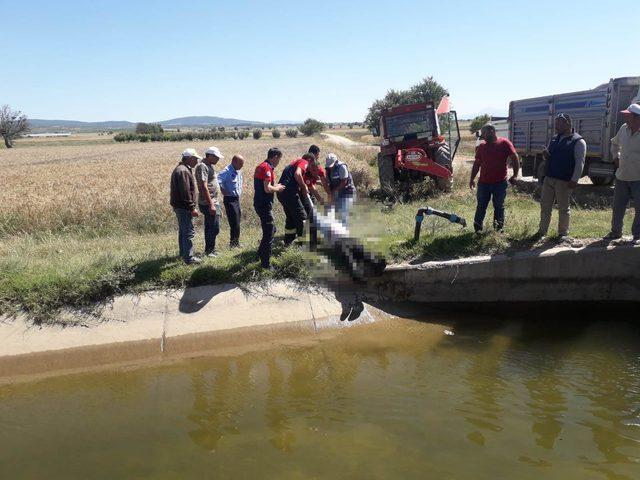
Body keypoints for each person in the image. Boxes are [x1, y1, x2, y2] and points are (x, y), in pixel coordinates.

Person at [535, 113, 586, 240]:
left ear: (567, 124)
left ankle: (563, 234)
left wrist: (575, 180)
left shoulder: (578, 141)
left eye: (559, 124)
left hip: (564, 180)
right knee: (545, 206)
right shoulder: (554, 138)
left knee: (563, 208)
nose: (556, 126)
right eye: (556, 124)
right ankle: (542, 232)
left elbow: (580, 163)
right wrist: (545, 155)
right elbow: (549, 158)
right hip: (549, 178)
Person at [469, 123, 520, 233]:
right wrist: (471, 178)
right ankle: (477, 230)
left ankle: (498, 230)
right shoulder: (482, 146)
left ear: (491, 131)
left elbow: (515, 159)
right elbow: (476, 164)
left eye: (484, 133)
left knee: (499, 207)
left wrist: (515, 175)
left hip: (500, 183)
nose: (482, 136)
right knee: (481, 207)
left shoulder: (504, 143)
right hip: (483, 184)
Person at [605, 103, 640, 245]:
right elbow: (614, 144)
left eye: (628, 116)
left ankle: (637, 235)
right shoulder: (623, 129)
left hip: (638, 178)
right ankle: (615, 232)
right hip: (621, 176)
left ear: (637, 118)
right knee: (618, 206)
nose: (625, 118)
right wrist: (615, 157)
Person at [277, 153, 325, 246]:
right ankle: (304, 245)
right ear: (309, 160)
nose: (311, 167)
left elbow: (310, 185)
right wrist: (303, 187)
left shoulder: (293, 164)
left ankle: (288, 241)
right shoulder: (303, 162)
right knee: (302, 217)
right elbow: (297, 174)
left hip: (281, 193)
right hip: (290, 193)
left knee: (291, 217)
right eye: (311, 164)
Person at [253, 147, 285, 269]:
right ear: (275, 157)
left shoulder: (261, 166)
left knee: (272, 230)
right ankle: (266, 265)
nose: (279, 162)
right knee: (269, 233)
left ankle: (259, 254)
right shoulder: (267, 168)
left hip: (260, 203)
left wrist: (275, 185)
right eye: (279, 159)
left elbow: (265, 186)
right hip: (264, 205)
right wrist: (278, 189)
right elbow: (267, 188)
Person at [170, 148, 201, 264]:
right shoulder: (183, 171)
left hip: (180, 206)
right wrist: (192, 207)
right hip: (184, 207)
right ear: (189, 158)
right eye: (195, 159)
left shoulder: (181, 168)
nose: (197, 161)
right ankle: (189, 258)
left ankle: (183, 255)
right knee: (188, 232)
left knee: (183, 231)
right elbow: (185, 191)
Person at [195, 146, 223, 256]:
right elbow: (203, 186)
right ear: (210, 156)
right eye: (216, 157)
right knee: (214, 227)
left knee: (211, 226)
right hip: (208, 203)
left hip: (213, 202)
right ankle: (210, 250)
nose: (218, 159)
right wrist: (211, 204)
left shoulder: (209, 165)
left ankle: (210, 249)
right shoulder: (202, 167)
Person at [218, 154, 244, 248]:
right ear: (234, 162)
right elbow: (217, 181)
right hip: (230, 199)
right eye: (240, 163)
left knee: (237, 221)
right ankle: (233, 244)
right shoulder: (227, 171)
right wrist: (222, 189)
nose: (242, 165)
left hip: (236, 199)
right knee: (234, 222)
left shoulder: (238, 171)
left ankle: (236, 242)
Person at [325, 153, 355, 226]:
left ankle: (345, 234)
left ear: (336, 162)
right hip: (337, 193)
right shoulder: (328, 169)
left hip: (347, 192)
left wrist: (333, 192)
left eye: (331, 165)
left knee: (343, 213)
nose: (330, 167)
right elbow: (328, 182)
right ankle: (337, 233)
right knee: (335, 214)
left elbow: (344, 182)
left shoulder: (342, 167)